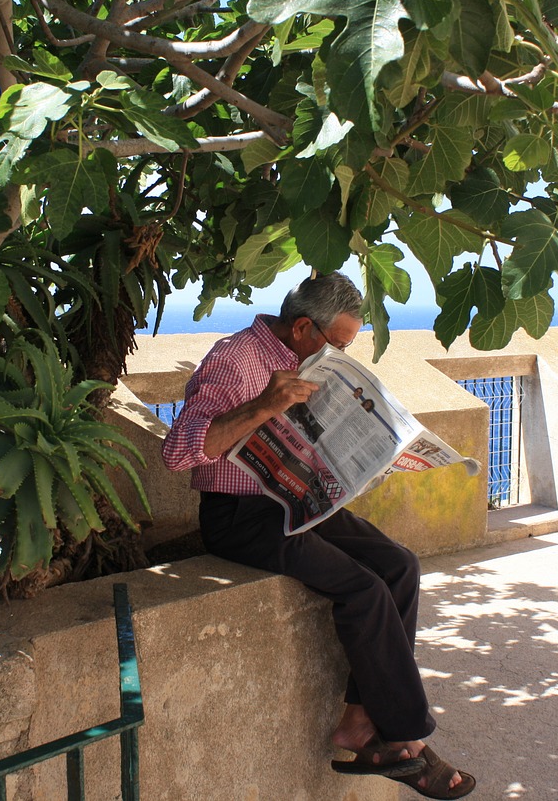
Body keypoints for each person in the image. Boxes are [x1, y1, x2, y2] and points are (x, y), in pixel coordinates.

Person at [161, 272, 475, 799]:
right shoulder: (236, 360)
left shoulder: (310, 360)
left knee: (399, 565)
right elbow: (177, 453)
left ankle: (358, 717)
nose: (342, 354)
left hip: (298, 499)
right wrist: (262, 406)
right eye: (339, 344)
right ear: (304, 327)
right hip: (239, 512)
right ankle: (406, 741)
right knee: (364, 589)